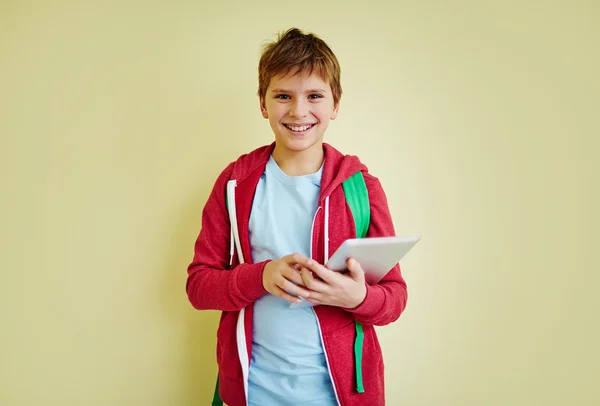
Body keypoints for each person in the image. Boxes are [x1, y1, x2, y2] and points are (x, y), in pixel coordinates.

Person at [186, 27, 408, 406]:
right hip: (253, 392)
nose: (298, 111)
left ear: (335, 104)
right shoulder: (234, 184)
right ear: (263, 103)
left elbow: (394, 299)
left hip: (340, 397)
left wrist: (357, 297)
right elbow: (199, 287)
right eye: (283, 96)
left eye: (314, 96)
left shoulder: (362, 188)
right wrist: (262, 275)